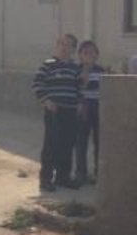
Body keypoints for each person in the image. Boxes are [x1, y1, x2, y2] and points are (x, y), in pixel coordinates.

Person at [31, 33, 82, 191]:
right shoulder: (48, 64)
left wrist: (80, 102)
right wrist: (46, 100)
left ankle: (63, 177)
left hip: (71, 111)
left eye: (69, 45)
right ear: (57, 45)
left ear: (73, 49)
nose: (65, 48)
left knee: (67, 144)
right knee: (51, 144)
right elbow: (37, 84)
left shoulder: (75, 67)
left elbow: (79, 87)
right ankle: (46, 179)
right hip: (54, 110)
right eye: (62, 44)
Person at [74, 39, 104, 185]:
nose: (88, 55)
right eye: (85, 53)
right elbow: (76, 88)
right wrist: (85, 71)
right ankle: (81, 172)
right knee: (81, 141)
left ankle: (98, 173)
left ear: (97, 55)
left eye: (92, 52)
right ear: (80, 55)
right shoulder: (77, 70)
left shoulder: (101, 71)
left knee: (99, 141)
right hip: (83, 107)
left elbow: (107, 90)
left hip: (98, 107)